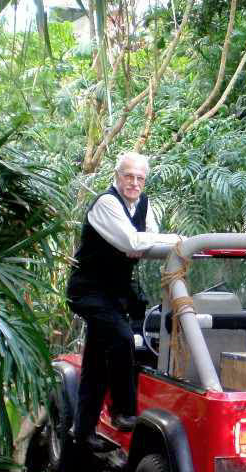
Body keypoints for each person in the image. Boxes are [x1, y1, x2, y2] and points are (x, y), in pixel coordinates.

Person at [67, 152, 181, 452]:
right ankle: (123, 412)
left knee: (96, 358)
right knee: (121, 339)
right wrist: (159, 240)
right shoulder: (107, 203)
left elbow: (147, 240)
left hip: (115, 292)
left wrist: (141, 242)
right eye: (128, 176)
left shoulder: (144, 205)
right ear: (117, 176)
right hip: (89, 291)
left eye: (140, 178)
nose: (134, 183)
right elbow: (133, 243)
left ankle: (83, 433)